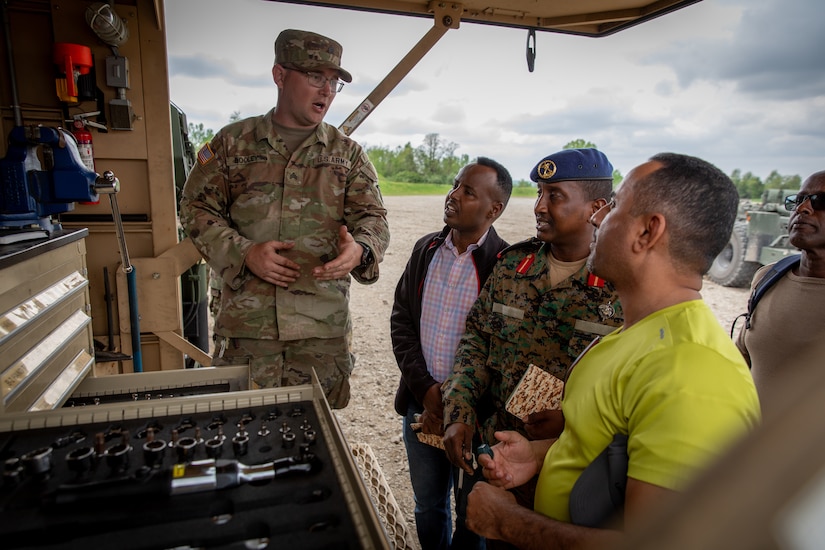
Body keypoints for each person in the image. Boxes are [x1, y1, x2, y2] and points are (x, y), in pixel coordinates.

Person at [465, 153, 762, 548]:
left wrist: (508, 523)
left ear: (647, 232)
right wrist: (538, 454)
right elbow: (612, 446)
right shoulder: (634, 336)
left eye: (615, 205)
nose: (596, 218)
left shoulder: (692, 371)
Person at [179, 29, 390, 409]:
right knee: (242, 434)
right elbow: (195, 208)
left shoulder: (348, 155)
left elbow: (373, 217)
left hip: (320, 334)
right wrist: (244, 253)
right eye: (314, 77)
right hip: (248, 332)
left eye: (332, 82)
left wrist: (360, 248)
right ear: (279, 75)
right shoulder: (232, 144)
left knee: (315, 447)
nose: (325, 90)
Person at [441, 148, 624, 494]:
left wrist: (571, 421)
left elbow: (627, 390)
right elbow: (476, 342)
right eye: (540, 192)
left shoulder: (621, 287)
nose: (539, 206)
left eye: (554, 196)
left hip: (573, 468)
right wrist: (459, 411)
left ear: (598, 208)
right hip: (494, 452)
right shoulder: (513, 266)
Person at [391, 157, 513, 550]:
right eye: (455, 185)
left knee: (472, 514)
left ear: (494, 209)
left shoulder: (507, 266)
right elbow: (402, 323)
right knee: (428, 506)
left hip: (476, 418)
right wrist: (425, 390)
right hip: (421, 406)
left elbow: (505, 349)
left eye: (468, 192)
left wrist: (461, 405)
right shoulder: (426, 249)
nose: (453, 195)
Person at [735, 170, 825, 413]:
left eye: (820, 202)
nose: (803, 209)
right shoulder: (768, 277)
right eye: (799, 200)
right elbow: (742, 357)